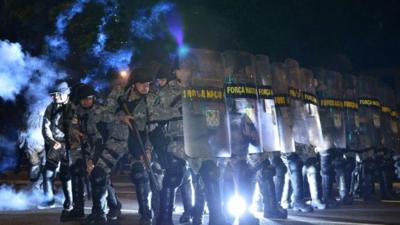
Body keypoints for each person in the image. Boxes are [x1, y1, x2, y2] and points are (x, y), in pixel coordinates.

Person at [40, 82, 73, 221]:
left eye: (59, 94)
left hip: (70, 145)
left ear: (66, 93)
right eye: (54, 95)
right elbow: (45, 126)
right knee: (48, 172)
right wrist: (52, 142)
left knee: (66, 174)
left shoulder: (74, 108)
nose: (56, 97)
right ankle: (49, 199)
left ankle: (70, 201)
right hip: (55, 144)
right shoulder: (51, 107)